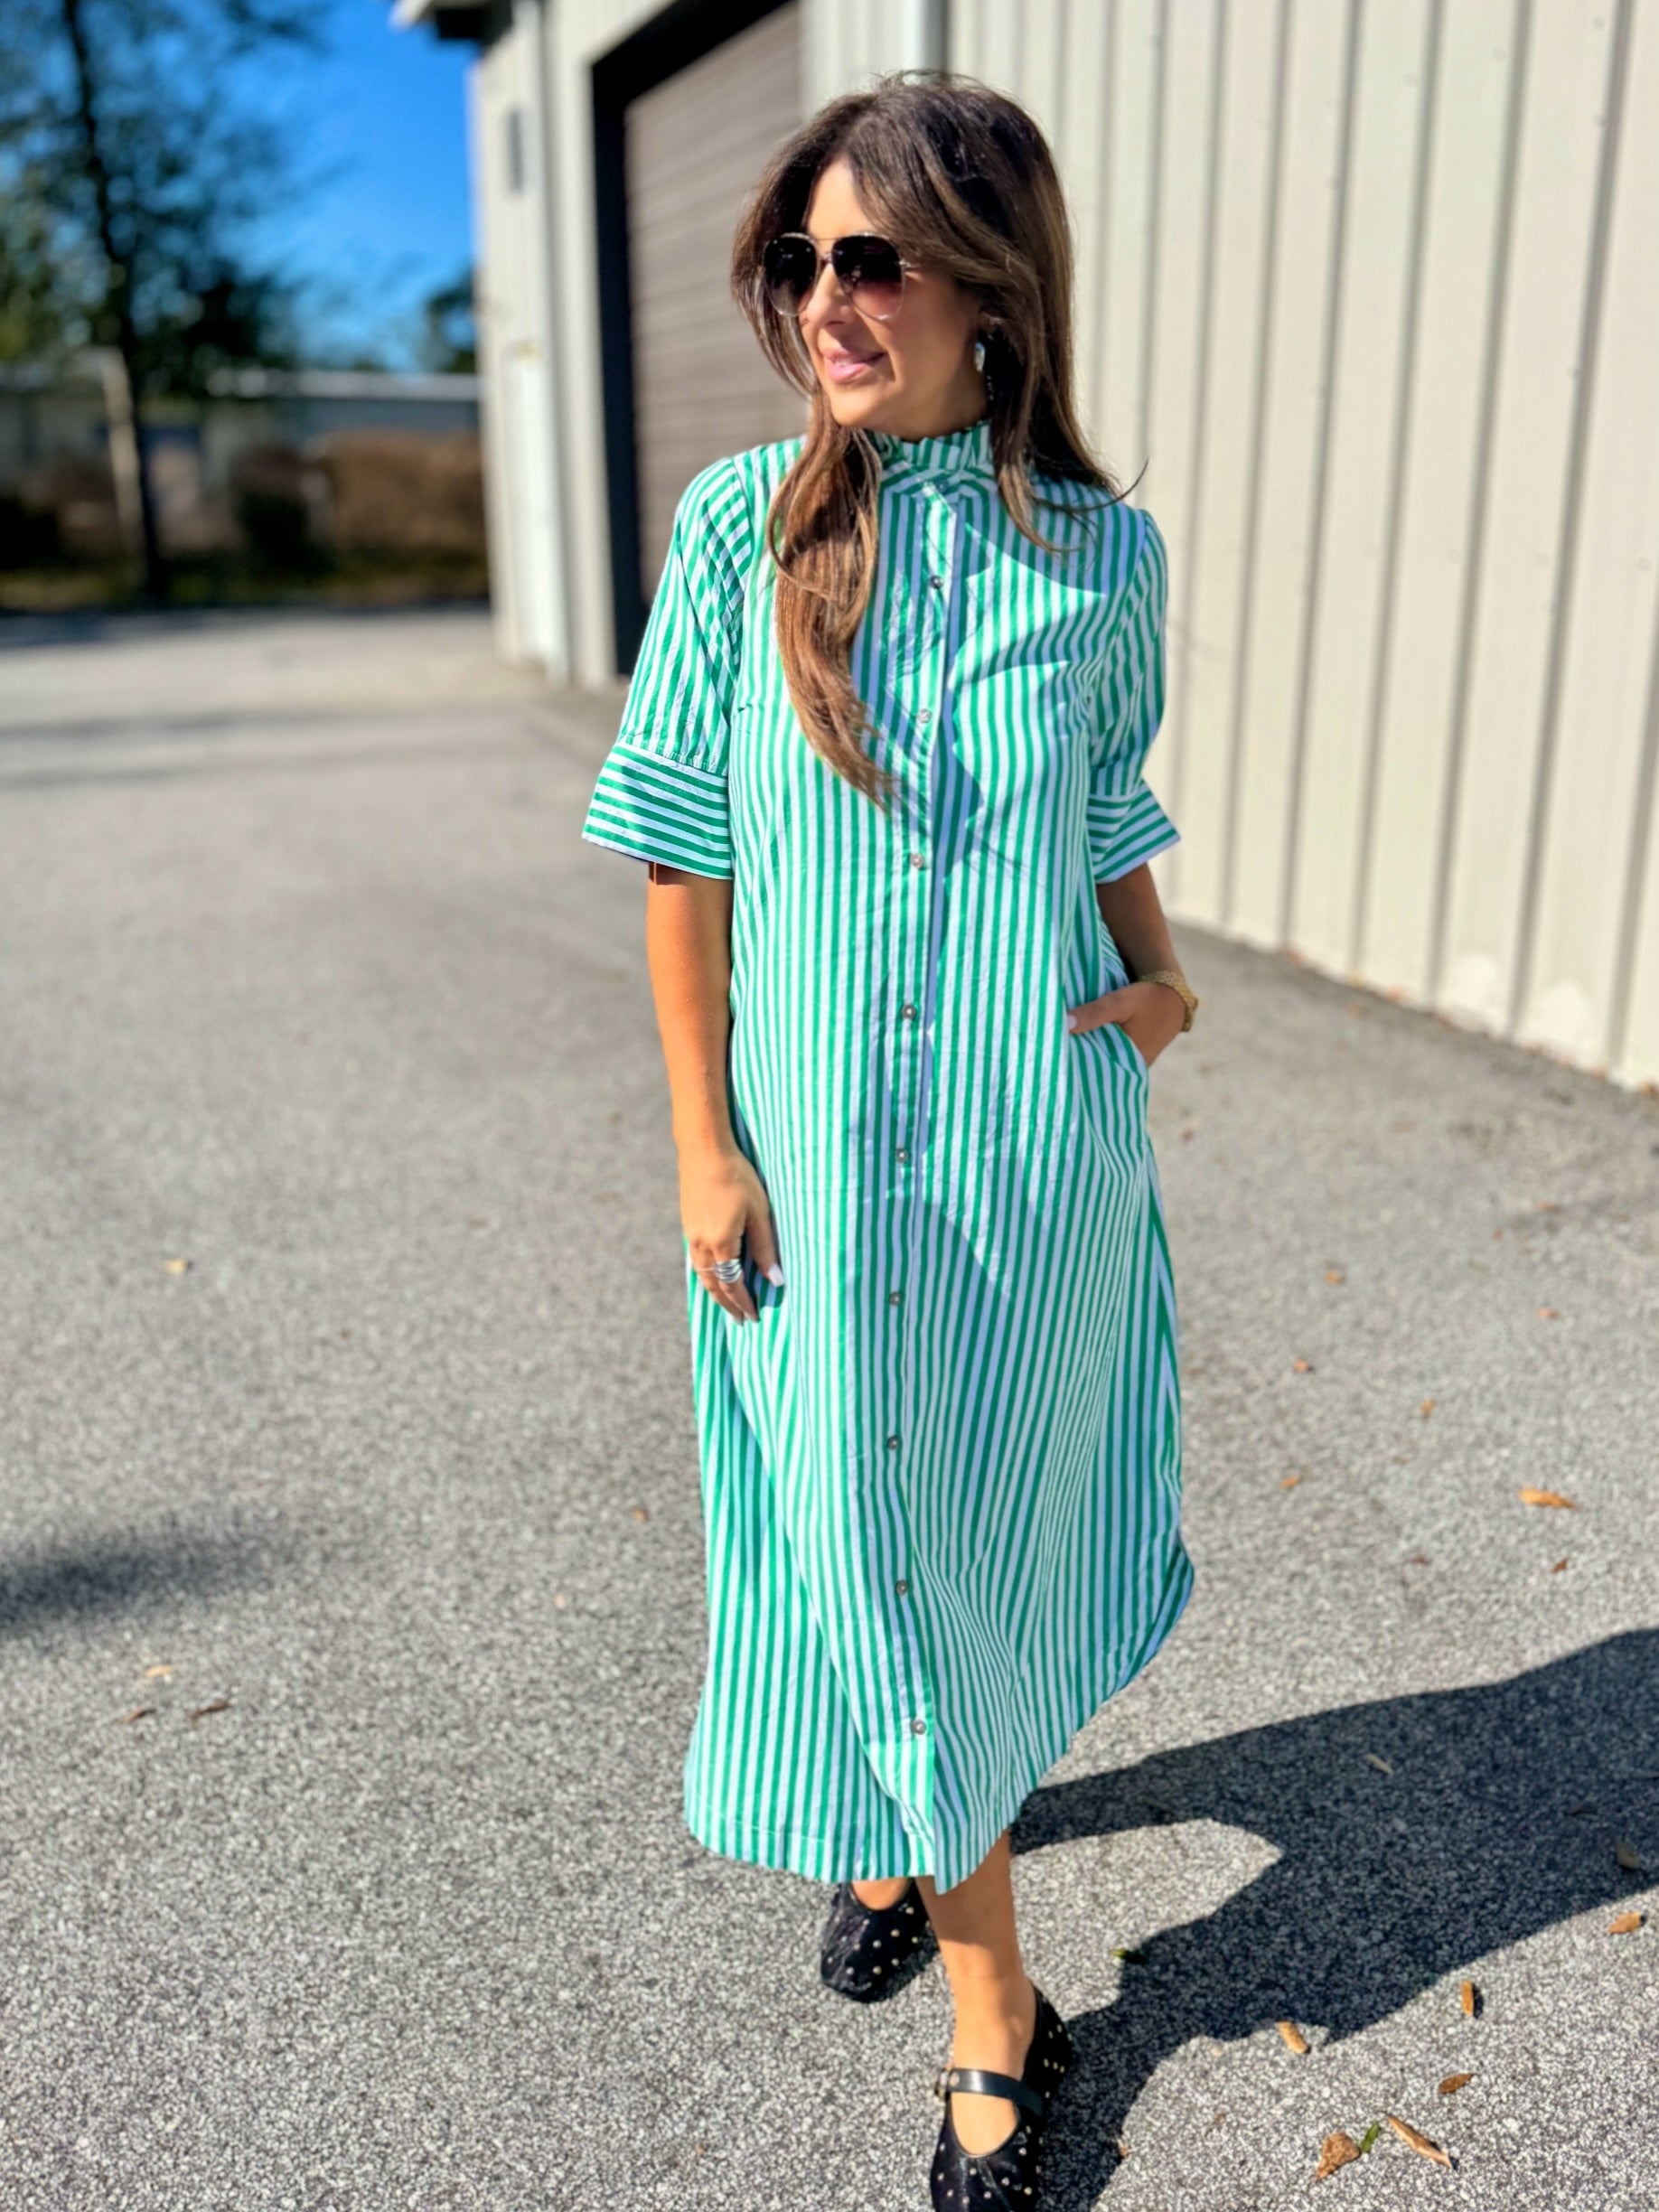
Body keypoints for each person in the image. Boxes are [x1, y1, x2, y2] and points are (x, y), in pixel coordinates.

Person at [579, 68, 1199, 2211]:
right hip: (816, 1180)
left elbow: (1104, 803)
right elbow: (679, 857)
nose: (828, 300)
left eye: (878, 259)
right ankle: (998, 2011)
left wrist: (1162, 980)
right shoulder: (737, 530)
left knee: (959, 1535)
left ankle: (898, 1848)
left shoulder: (1100, 555)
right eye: (803, 258)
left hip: (1030, 1159)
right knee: (856, 1530)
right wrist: (703, 1145)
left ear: (993, 292)